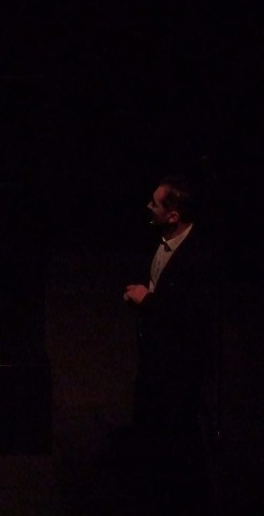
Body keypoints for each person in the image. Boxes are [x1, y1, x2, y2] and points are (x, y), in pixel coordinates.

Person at [121, 174, 216, 514]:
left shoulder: (198, 259)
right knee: (151, 426)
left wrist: (146, 301)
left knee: (177, 435)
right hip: (155, 359)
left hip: (178, 367)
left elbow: (188, 317)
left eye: (155, 203)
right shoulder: (161, 240)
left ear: (173, 216)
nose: (148, 206)